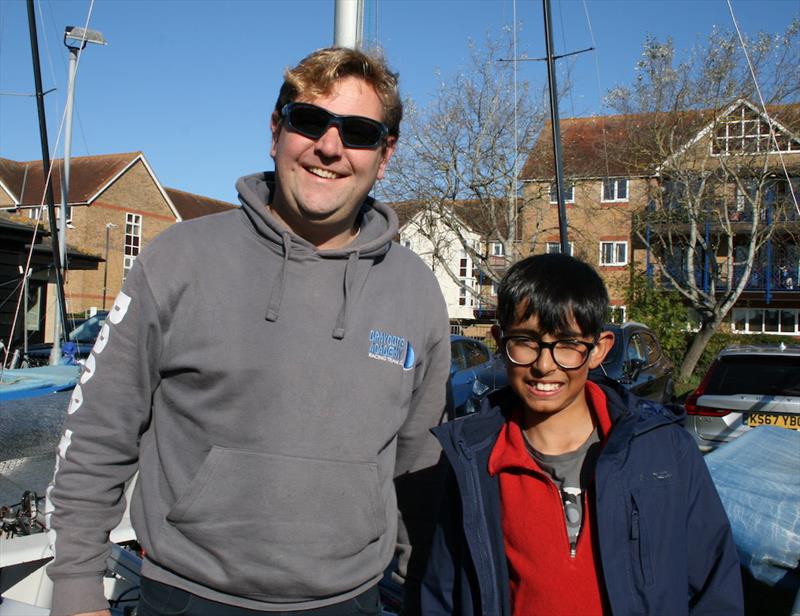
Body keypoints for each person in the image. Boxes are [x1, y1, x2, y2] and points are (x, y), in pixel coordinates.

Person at [46, 47, 451, 616]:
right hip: (189, 595)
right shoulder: (178, 261)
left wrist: (420, 586)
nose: (330, 147)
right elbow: (99, 432)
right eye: (309, 122)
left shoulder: (417, 292)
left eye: (358, 132)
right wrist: (75, 583)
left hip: (351, 601)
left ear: (384, 155)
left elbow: (419, 464)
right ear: (276, 131)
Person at [420, 253, 743, 615]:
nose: (544, 365)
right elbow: (443, 594)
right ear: (500, 340)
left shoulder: (664, 450)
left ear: (598, 349)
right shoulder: (473, 459)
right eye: (525, 341)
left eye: (568, 345)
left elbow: (716, 586)